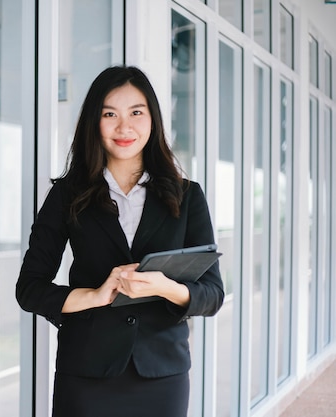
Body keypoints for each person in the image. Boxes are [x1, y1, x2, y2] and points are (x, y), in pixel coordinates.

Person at [15, 66, 225, 417]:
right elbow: (29, 289)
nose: (124, 127)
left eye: (136, 113)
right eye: (109, 114)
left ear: (153, 120)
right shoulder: (67, 194)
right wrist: (94, 296)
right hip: (85, 375)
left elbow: (212, 294)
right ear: (93, 123)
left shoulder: (188, 197)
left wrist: (165, 287)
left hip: (162, 375)